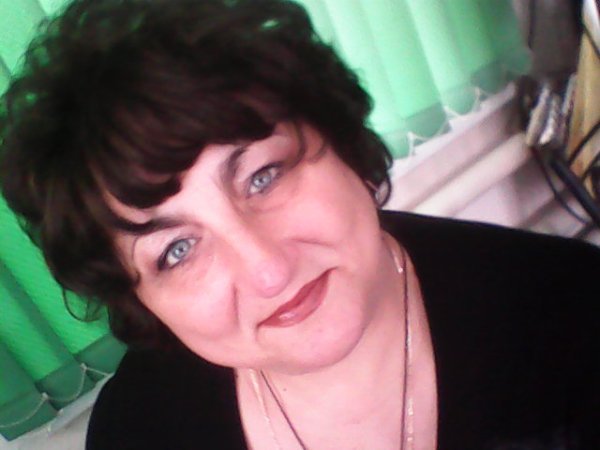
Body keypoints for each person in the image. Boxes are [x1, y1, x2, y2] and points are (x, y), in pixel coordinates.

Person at [1, 0, 598, 449]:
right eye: (177, 249)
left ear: (340, 142)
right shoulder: (137, 430)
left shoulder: (574, 319)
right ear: (141, 301)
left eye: (262, 177)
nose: (268, 271)